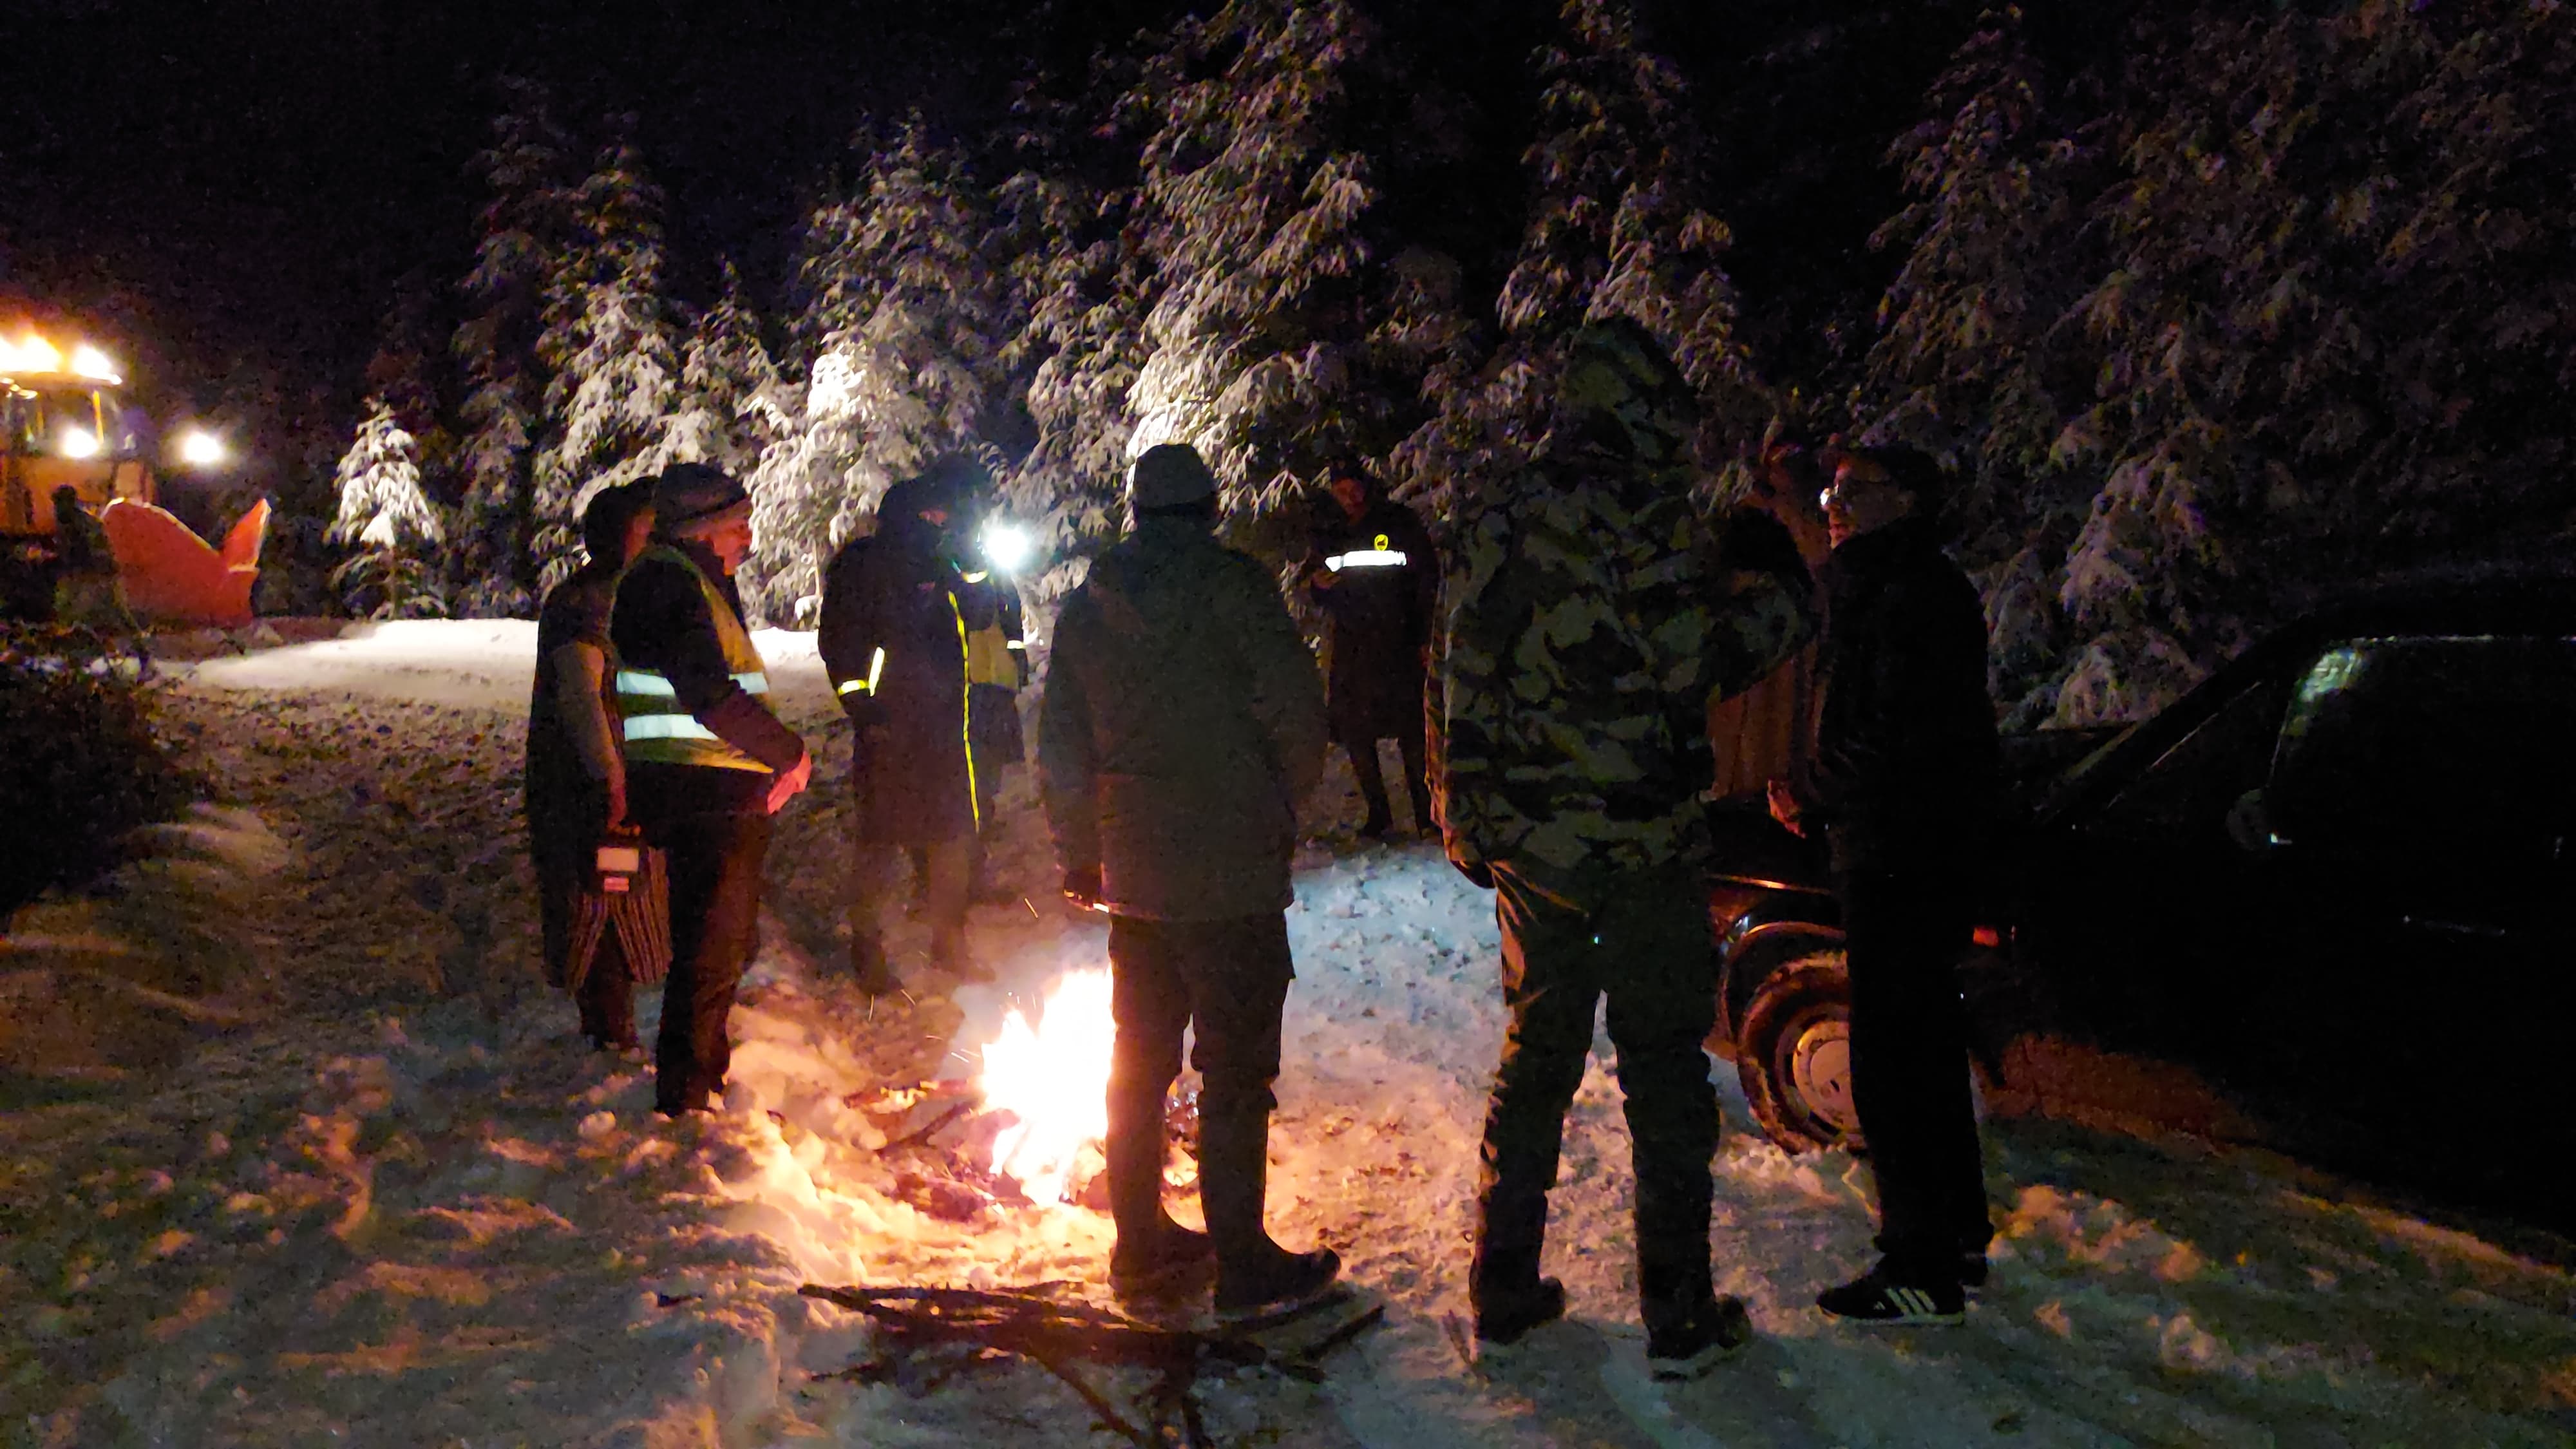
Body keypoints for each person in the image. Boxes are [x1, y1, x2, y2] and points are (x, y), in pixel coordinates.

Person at [1439, 318, 1814, 1378]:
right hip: (1643, 842)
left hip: (1538, 847)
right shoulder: (1654, 519)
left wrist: (1468, 810)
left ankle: (1504, 1286)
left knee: (1537, 1058)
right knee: (1662, 1070)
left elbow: (1457, 664)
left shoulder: (1499, 512)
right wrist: (1783, 594)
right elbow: (1698, 661)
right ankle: (1679, 1315)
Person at [1039, 442, 1343, 1321]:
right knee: (1235, 1067)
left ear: (1136, 513)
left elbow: (1061, 742)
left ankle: (1140, 1246)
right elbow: (1297, 711)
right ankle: (1243, 1264)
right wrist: (1278, 803)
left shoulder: (1089, 606)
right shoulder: (1237, 588)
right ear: (1210, 509)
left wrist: (1080, 850)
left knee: (1138, 1063)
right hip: (1230, 868)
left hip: (1135, 874)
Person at [1767, 444, 2000, 1325]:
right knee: (1926, 1045)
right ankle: (1958, 1235)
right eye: (1832, 490)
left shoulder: (1902, 594)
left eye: (1853, 490)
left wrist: (1809, 789)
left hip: (1900, 851)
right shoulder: (1906, 583)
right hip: (1919, 844)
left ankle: (1918, 1264)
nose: (1835, 504)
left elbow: (1891, 734)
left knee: (1895, 1058)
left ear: (1907, 500)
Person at [609, 463, 813, 1116]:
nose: (747, 538)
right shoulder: (671, 581)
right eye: (738, 525)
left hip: (707, 787)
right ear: (704, 528)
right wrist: (787, 752)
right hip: (702, 792)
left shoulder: (684, 577)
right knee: (710, 951)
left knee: (720, 948)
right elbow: (707, 692)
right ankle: (689, 1099)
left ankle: (700, 1082)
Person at [818, 455, 987, 990]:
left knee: (953, 834)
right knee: (882, 838)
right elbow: (840, 644)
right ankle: (867, 947)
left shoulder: (942, 563)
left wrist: (971, 563)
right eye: (932, 517)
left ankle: (949, 942)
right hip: (889, 726)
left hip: (943, 727)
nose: (940, 524)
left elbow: (982, 614)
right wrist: (865, 709)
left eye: (943, 518)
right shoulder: (863, 565)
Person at [526, 479, 657, 1050]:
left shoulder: (618, 593)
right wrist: (611, 778)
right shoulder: (589, 603)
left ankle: (612, 1023)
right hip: (589, 789)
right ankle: (608, 1029)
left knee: (622, 893)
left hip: (611, 779)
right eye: (648, 529)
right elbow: (582, 694)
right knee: (603, 900)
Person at [1302, 460, 1438, 838]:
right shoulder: (1330, 531)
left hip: (1398, 641)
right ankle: (1379, 815)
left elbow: (1425, 578)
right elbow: (1319, 583)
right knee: (1357, 732)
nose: (1350, 498)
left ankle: (1426, 814)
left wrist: (1425, 636)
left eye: (1354, 488)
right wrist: (1319, 587)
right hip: (1353, 646)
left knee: (1412, 731)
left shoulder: (1398, 523)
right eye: (1341, 491)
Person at [954, 531, 1030, 901]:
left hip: (996, 683)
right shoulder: (948, 573)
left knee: (989, 766)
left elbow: (1012, 620)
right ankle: (972, 847)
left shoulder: (995, 573)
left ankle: (982, 825)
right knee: (975, 770)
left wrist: (1018, 657)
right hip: (970, 687)